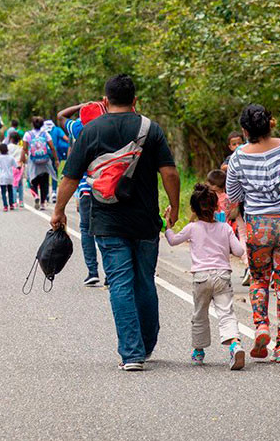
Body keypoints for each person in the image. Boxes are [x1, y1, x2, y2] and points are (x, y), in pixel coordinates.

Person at [51, 74, 180, 371]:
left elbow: (70, 177)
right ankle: (146, 346)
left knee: (120, 282)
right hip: (146, 220)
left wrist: (59, 210)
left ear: (105, 101)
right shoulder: (151, 128)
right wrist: (173, 206)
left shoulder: (90, 129)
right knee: (145, 280)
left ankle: (132, 354)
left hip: (107, 220)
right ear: (135, 101)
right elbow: (170, 173)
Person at [226, 104, 280, 363]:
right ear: (270, 123)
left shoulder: (238, 157)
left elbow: (234, 198)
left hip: (258, 226)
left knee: (259, 279)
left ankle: (261, 326)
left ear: (244, 129)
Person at [164, 183, 246, 370]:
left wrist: (168, 224)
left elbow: (172, 240)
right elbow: (239, 250)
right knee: (226, 313)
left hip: (201, 277)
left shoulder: (192, 228)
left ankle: (199, 351)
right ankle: (235, 344)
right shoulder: (225, 228)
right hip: (223, 276)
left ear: (193, 208)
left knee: (200, 314)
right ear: (217, 207)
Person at [57, 102, 102, 287]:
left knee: (86, 230)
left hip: (85, 189)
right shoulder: (108, 128)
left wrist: (80, 105)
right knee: (107, 232)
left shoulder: (79, 128)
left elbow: (61, 115)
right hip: (107, 189)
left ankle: (92, 271)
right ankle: (111, 273)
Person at [20, 117, 58, 211]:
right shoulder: (46, 134)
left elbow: (24, 149)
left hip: (33, 161)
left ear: (32, 124)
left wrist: (22, 160)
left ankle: (36, 196)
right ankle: (42, 204)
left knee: (32, 181)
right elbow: (52, 148)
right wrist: (56, 160)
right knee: (44, 182)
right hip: (45, 161)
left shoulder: (27, 134)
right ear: (42, 124)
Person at [44, 119, 69, 203]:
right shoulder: (57, 129)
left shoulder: (42, 131)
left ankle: (46, 193)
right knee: (54, 172)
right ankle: (54, 192)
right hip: (55, 154)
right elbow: (66, 139)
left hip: (45, 155)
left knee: (46, 173)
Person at [0, 143, 17, 212]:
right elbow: (15, 166)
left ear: (0, 150)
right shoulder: (11, 157)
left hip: (2, 176)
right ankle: (11, 204)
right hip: (9, 176)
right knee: (10, 190)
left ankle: (5, 206)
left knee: (3, 192)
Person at [6, 131, 25, 208]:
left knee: (13, 185)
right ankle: (21, 201)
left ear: (10, 139)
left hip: (12, 167)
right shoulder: (20, 148)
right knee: (20, 185)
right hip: (20, 166)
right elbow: (23, 158)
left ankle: (14, 201)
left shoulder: (8, 147)